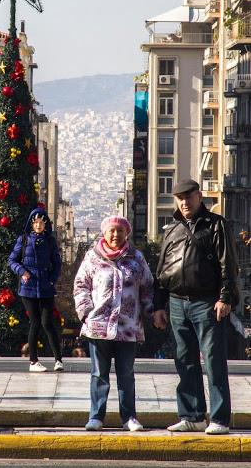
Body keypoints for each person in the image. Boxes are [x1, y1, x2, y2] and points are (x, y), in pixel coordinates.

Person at [153, 179, 239, 435]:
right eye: (179, 197)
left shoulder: (216, 225)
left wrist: (225, 298)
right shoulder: (171, 229)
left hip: (207, 303)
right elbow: (162, 270)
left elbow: (228, 265)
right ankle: (192, 415)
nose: (184, 201)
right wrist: (159, 305)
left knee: (214, 361)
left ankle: (220, 419)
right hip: (178, 303)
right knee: (184, 361)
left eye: (189, 196)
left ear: (199, 197)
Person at [74, 215, 154, 432]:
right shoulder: (92, 257)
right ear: (104, 233)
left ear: (126, 233)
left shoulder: (136, 258)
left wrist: (150, 312)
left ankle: (129, 417)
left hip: (128, 327)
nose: (116, 235)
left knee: (126, 374)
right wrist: (86, 312)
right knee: (99, 373)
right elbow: (81, 285)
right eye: (112, 231)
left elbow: (147, 286)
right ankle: (96, 416)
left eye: (120, 231)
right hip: (98, 326)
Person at [9, 207, 63, 373]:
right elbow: (12, 260)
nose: (39, 225)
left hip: (46, 287)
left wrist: (52, 279)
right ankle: (33, 361)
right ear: (31, 224)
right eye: (36, 222)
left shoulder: (50, 241)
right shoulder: (23, 240)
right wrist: (22, 272)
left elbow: (57, 262)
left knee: (48, 322)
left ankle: (58, 360)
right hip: (28, 288)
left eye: (42, 222)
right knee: (35, 323)